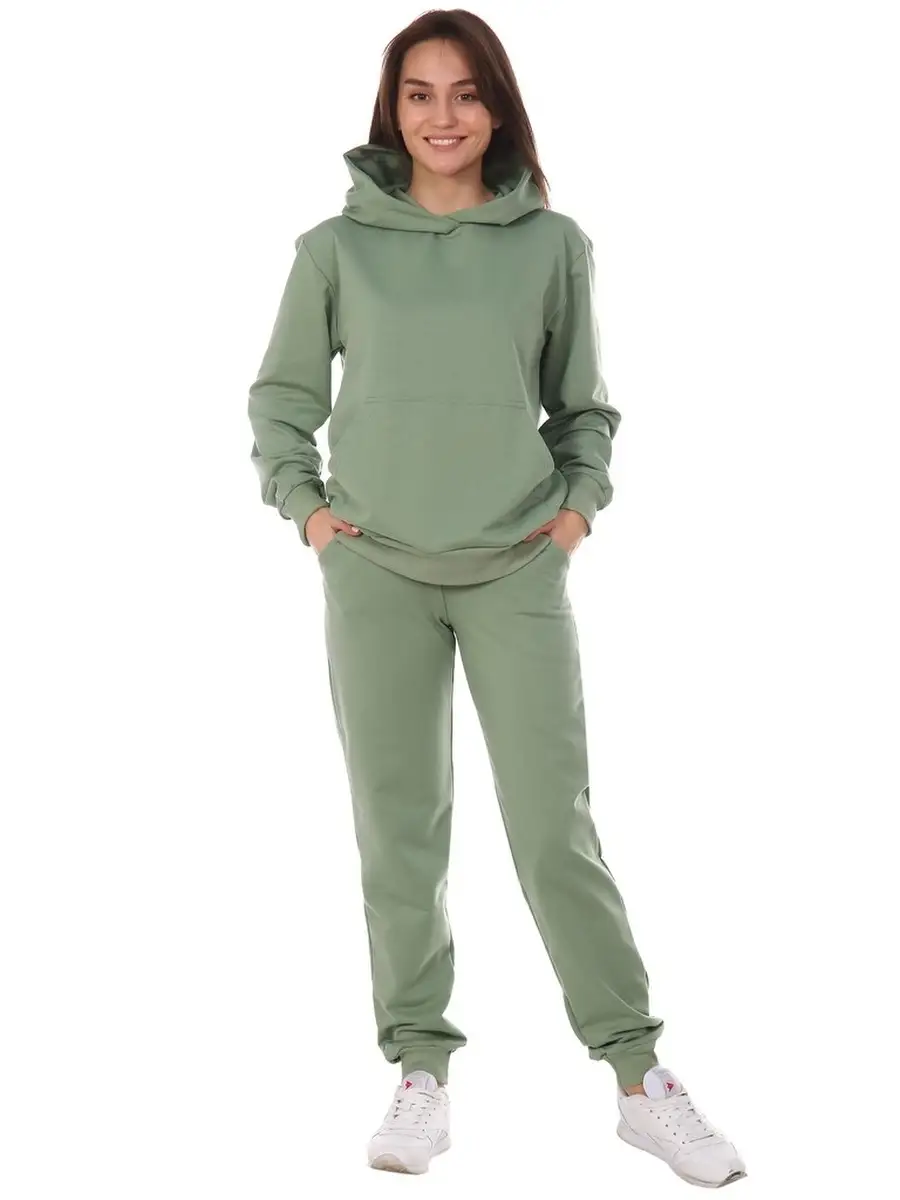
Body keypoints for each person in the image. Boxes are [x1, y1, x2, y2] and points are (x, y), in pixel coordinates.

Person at [246, 9, 746, 1189]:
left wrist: (576, 511)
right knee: (399, 830)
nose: (443, 116)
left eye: (466, 92)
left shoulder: (552, 244)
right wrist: (308, 512)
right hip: (374, 569)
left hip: (517, 566)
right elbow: (280, 400)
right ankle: (420, 1068)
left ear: (498, 107)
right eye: (419, 93)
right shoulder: (333, 248)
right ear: (391, 109)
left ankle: (638, 1077)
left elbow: (585, 407)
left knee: (552, 827)